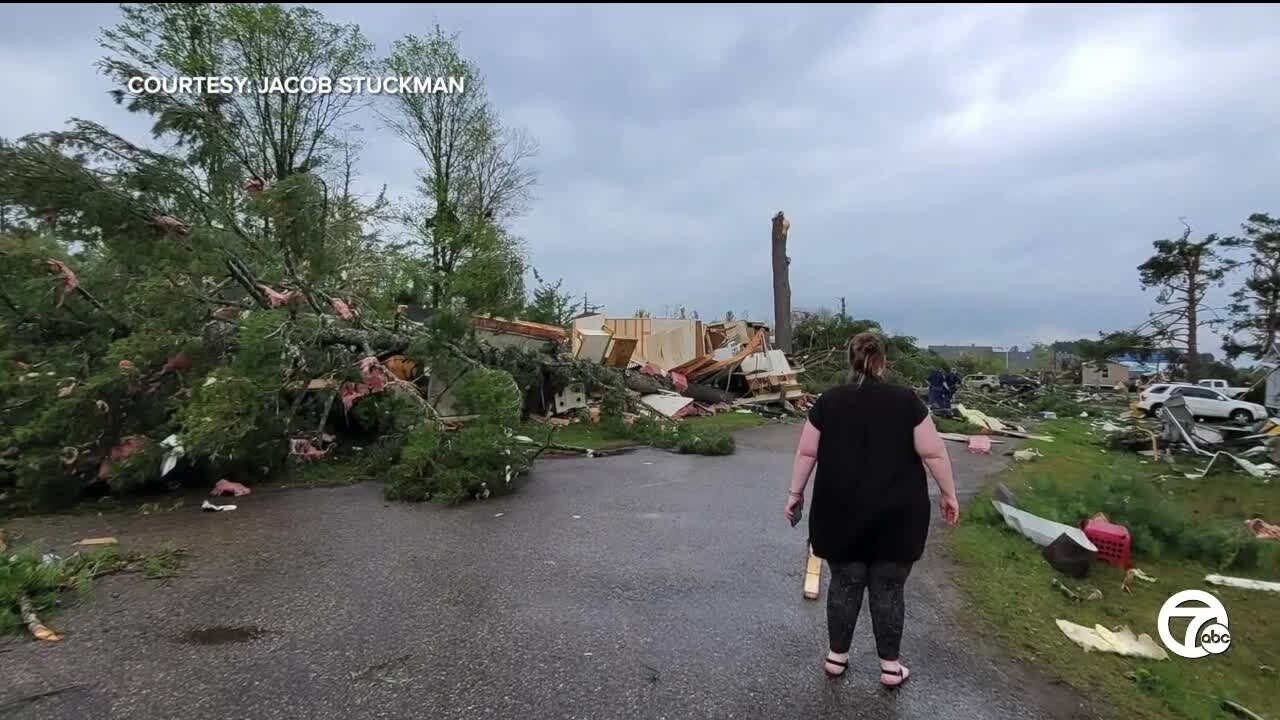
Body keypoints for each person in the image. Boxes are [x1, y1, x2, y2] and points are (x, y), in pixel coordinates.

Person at [784, 332, 960, 689]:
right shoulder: (906, 401)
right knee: (889, 588)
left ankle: (837, 658)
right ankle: (890, 668)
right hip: (898, 515)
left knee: (845, 582)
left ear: (850, 360)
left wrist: (795, 494)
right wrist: (949, 493)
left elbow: (806, 453)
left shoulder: (828, 402)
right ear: (882, 362)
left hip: (839, 512)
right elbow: (933, 453)